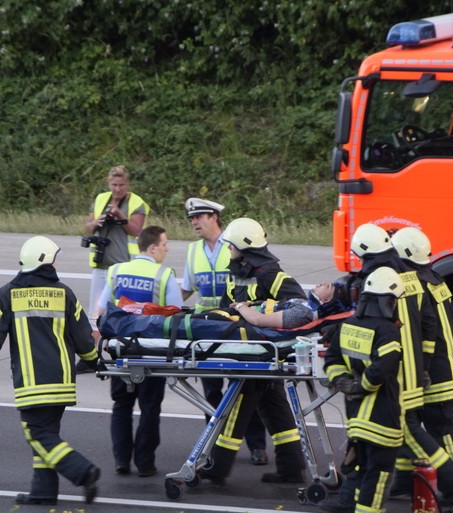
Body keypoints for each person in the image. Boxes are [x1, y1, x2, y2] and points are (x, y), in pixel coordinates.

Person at [319, 223, 453, 513]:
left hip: (393, 379)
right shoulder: (413, 278)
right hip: (410, 376)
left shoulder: (378, 279)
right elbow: (427, 326)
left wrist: (339, 334)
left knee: (407, 436)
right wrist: (424, 368)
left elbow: (371, 324)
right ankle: (376, 489)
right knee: (406, 436)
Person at [0, 236, 101, 505]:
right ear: (45, 261)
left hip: (32, 383)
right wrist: (91, 360)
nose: (56, 263)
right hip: (62, 381)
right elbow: (84, 339)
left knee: (37, 435)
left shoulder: (7, 294)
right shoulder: (64, 293)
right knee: (47, 434)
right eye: (54, 258)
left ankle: (83, 472)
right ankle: (43, 492)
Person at [199, 217, 307, 485]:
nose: (228, 251)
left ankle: (219, 466)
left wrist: (259, 311)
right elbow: (227, 309)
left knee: (236, 404)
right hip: (248, 351)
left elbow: (300, 307)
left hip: (258, 354)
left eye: (231, 246)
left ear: (245, 249)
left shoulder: (271, 273)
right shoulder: (235, 275)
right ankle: (292, 467)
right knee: (274, 407)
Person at [179, 197, 271, 466]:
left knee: (242, 384)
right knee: (210, 391)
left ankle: (256, 445)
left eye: (199, 217)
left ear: (213, 218)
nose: (194, 222)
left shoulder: (233, 245)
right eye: (191, 218)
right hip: (207, 329)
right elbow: (187, 289)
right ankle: (212, 445)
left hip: (235, 328)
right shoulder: (193, 250)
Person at [323, 267, 405, 513]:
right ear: (390, 300)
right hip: (382, 418)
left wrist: (344, 381)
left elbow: (331, 358)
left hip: (356, 417)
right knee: (378, 475)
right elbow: (383, 369)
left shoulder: (348, 325)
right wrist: (364, 385)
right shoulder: (387, 333)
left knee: (365, 470)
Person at [391, 227, 453, 482]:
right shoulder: (435, 278)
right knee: (409, 425)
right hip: (444, 365)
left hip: (434, 373)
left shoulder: (412, 284)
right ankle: (406, 480)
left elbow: (417, 329)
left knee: (443, 432)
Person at [101, 226, 181, 477]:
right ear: (153, 247)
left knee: (122, 405)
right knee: (150, 407)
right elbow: (176, 314)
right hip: (151, 352)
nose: (167, 249)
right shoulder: (164, 274)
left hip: (122, 350)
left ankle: (121, 461)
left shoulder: (116, 271)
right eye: (165, 244)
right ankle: (145, 464)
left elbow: (102, 311)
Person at [83, 166, 150, 336]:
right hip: (101, 264)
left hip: (124, 266)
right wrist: (97, 222)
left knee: (124, 309)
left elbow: (136, 230)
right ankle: (94, 353)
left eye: (121, 185)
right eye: (114, 185)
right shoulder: (100, 199)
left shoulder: (136, 203)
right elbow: (88, 227)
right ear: (108, 183)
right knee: (95, 313)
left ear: (127, 183)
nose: (117, 189)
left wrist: (120, 215)